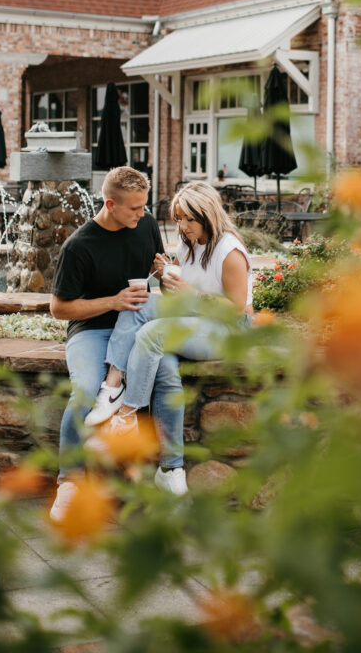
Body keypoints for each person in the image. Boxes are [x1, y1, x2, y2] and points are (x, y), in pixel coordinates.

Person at [92, 181, 253, 492]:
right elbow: (179, 295)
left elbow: (235, 310)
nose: (182, 226)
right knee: (142, 308)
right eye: (179, 218)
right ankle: (168, 467)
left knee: (154, 334)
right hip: (195, 318)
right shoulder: (189, 243)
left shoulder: (229, 251)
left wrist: (191, 294)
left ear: (207, 216)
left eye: (189, 219)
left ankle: (126, 417)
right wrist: (166, 272)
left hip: (229, 328)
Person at [49, 166, 182, 519]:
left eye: (144, 207)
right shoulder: (79, 246)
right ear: (110, 203)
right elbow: (59, 308)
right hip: (91, 330)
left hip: (139, 328)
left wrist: (166, 274)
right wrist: (113, 301)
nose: (143, 215)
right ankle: (69, 483)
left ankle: (171, 472)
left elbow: (157, 272)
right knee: (87, 389)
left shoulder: (147, 224)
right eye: (135, 209)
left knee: (167, 374)